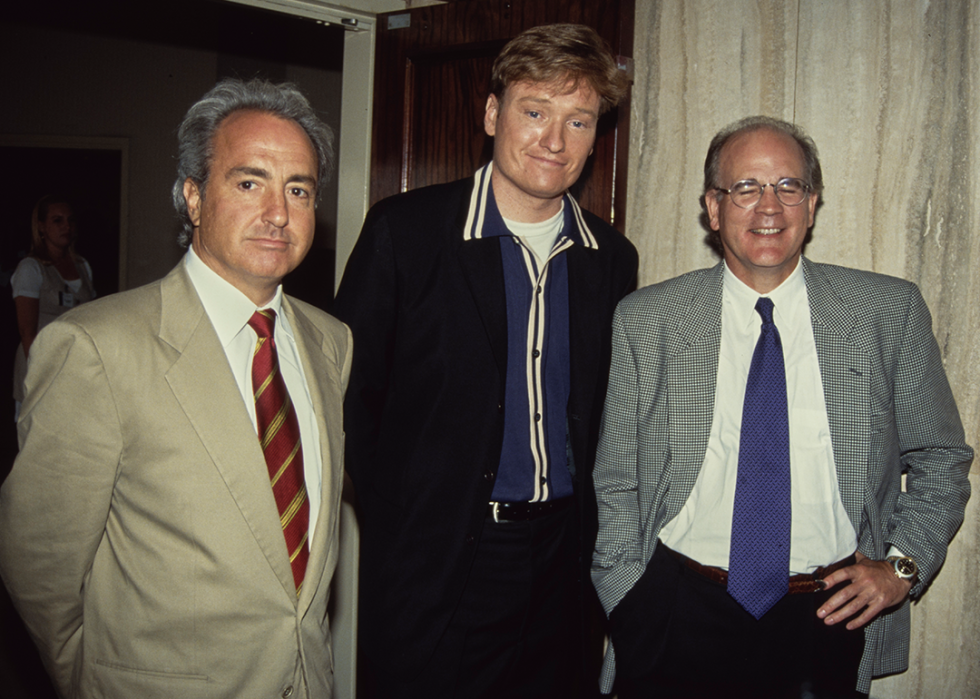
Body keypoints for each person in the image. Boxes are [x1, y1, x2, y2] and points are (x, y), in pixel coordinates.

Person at [591, 115, 973, 698]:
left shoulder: (884, 312)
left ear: (812, 204)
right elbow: (615, 480)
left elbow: (942, 460)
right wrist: (628, 600)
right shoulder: (649, 320)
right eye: (745, 188)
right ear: (712, 209)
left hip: (825, 618)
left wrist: (902, 568)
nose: (768, 206)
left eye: (787, 186)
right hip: (674, 612)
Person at [0, 78, 352, 699]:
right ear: (193, 198)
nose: (279, 211)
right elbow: (39, 564)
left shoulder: (331, 342)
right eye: (249, 183)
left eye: (298, 189)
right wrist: (92, 681)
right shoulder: (97, 348)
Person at [333, 23, 638, 699]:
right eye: (535, 112)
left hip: (562, 570)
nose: (555, 141)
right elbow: (345, 401)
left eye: (579, 120)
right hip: (438, 563)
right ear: (493, 113)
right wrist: (404, 521)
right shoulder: (404, 234)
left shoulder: (611, 260)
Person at [11, 195, 95, 417]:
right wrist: (42, 377)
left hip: (74, 367)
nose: (66, 226)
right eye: (57, 220)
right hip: (42, 368)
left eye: (70, 220)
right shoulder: (31, 268)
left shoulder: (82, 266)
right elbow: (27, 332)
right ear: (41, 227)